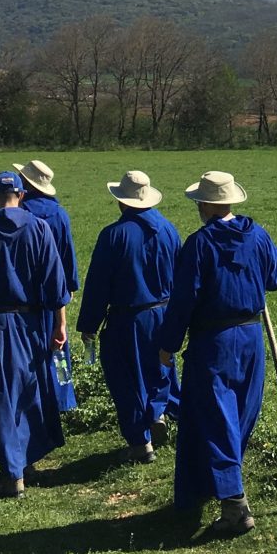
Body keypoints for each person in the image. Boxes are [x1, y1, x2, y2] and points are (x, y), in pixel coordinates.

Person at [157, 171, 277, 534]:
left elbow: (183, 300)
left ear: (204, 204)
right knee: (232, 416)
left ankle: (234, 506)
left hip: (213, 341)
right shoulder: (256, 235)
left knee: (217, 418)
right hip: (250, 336)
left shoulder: (199, 245)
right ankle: (199, 491)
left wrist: (168, 344)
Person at [0, 171, 69, 498]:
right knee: (29, 390)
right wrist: (59, 324)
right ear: (21, 195)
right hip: (32, 322)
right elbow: (55, 286)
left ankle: (12, 471)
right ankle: (26, 459)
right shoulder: (41, 229)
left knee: (0, 397)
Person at [76, 171, 181, 463]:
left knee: (126, 378)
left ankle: (139, 442)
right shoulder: (169, 230)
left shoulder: (114, 235)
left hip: (128, 317)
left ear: (121, 201)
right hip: (164, 311)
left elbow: (99, 284)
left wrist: (89, 324)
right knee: (161, 369)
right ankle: (158, 412)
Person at [15, 159, 79, 412]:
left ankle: (30, 402)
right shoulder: (59, 214)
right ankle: (62, 400)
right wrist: (68, 286)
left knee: (27, 350)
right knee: (58, 345)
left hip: (24, 292)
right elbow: (67, 254)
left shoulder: (20, 211)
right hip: (54, 290)